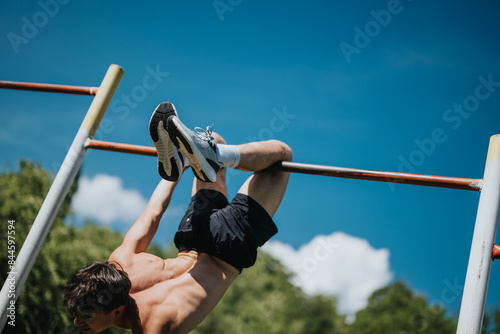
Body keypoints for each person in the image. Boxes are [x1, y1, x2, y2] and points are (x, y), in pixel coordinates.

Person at [63, 102, 293, 333]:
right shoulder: (120, 262)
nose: (77, 322)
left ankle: (207, 153)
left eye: (85, 315)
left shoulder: (151, 326)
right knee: (216, 146)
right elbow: (151, 215)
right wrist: (178, 170)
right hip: (193, 231)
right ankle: (199, 155)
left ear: (116, 312)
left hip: (226, 250)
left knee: (282, 158)